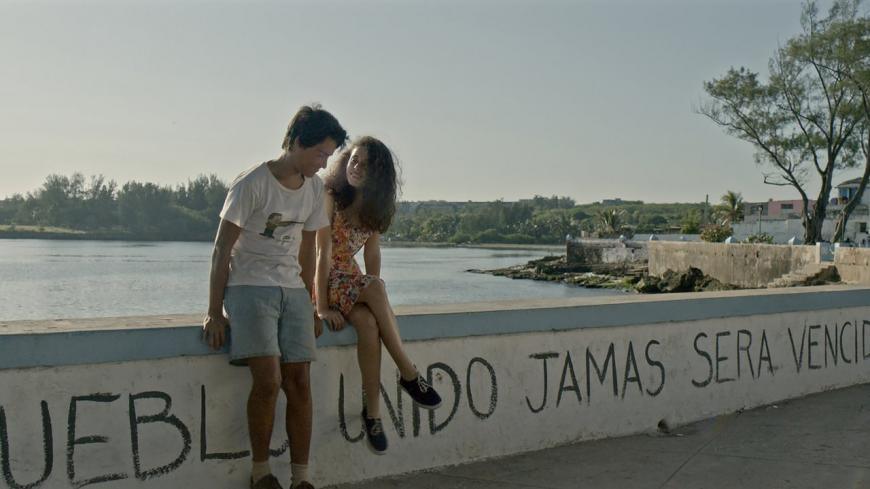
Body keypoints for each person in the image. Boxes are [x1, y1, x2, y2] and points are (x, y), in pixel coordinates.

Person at [202, 104, 347, 489]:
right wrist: (214, 312)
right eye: (320, 153)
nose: (323, 163)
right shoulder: (252, 184)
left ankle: (301, 478)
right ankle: (261, 473)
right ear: (297, 142)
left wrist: (312, 304)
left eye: (328, 156)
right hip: (249, 287)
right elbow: (221, 249)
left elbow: (307, 249)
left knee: (299, 382)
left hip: (293, 292)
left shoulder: (314, 189)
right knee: (268, 380)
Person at [314, 136, 442, 455]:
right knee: (375, 287)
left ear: (378, 175)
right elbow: (321, 252)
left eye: (366, 165)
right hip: (324, 279)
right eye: (354, 160)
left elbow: (372, 257)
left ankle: (372, 414)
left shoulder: (375, 210)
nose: (357, 168)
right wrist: (321, 306)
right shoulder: (330, 196)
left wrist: (375, 301)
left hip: (350, 282)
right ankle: (409, 373)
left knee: (370, 325)